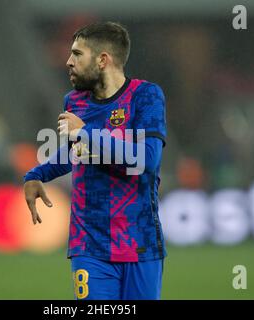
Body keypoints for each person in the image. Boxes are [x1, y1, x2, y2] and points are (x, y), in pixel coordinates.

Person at [23, 21, 167, 300]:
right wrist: (36, 175)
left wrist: (86, 132)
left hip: (140, 242)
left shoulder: (145, 96)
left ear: (103, 60)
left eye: (77, 54)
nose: (68, 61)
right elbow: (74, 153)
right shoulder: (74, 102)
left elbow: (146, 160)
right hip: (89, 243)